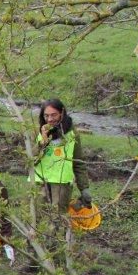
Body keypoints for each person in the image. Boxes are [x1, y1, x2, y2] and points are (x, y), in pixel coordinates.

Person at [34, 99, 91, 240]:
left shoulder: (72, 134)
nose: (50, 119)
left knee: (57, 221)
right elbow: (30, 159)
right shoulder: (39, 131)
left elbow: (78, 162)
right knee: (37, 219)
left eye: (54, 115)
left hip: (61, 185)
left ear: (62, 113)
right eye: (46, 116)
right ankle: (35, 254)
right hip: (40, 182)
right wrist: (43, 142)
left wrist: (84, 188)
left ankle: (54, 253)